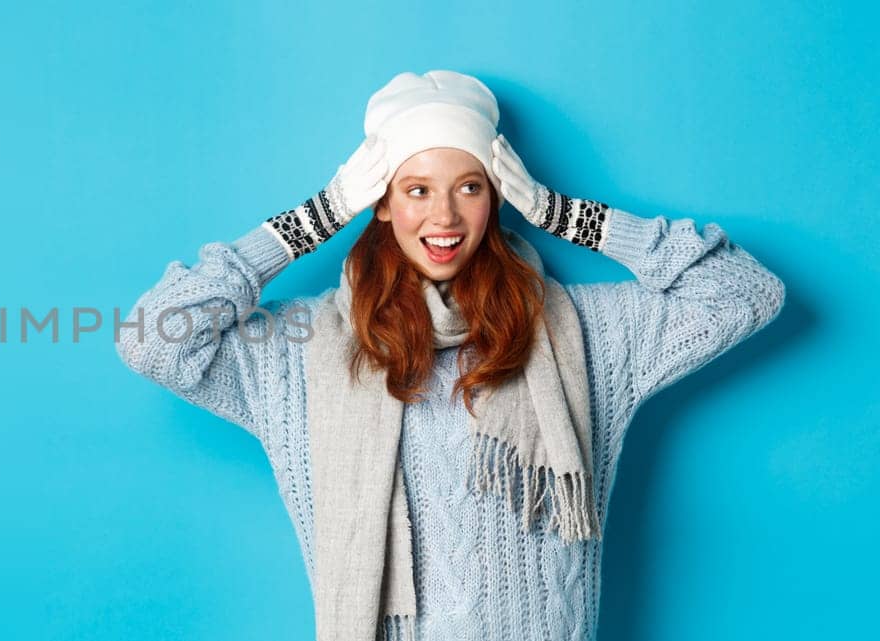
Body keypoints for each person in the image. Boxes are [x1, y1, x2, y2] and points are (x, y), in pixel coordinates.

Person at [113, 70, 785, 641]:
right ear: (378, 203)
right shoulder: (303, 353)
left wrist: (566, 214)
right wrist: (311, 219)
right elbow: (152, 339)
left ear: (497, 198)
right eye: (417, 189)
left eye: (469, 186)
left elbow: (744, 295)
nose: (446, 216)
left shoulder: (582, 332)